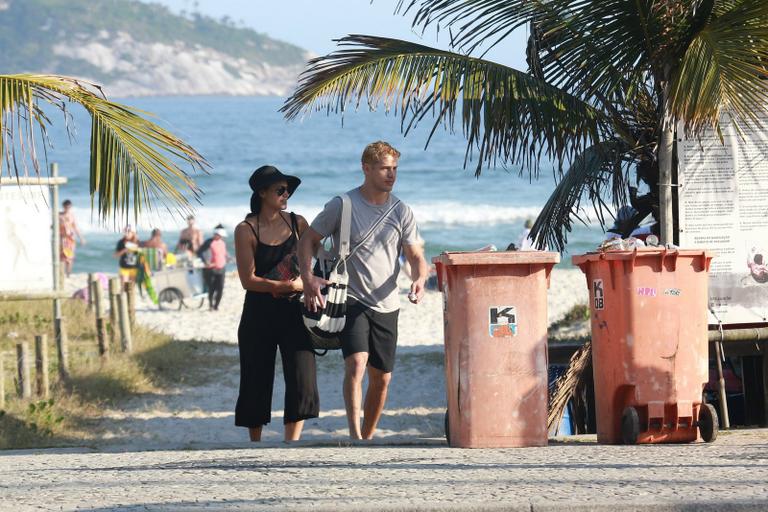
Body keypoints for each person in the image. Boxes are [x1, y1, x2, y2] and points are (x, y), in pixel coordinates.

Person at [299, 141, 428, 440]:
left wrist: (419, 278)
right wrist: (308, 278)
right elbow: (307, 240)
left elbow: (416, 257)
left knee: (382, 379)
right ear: (366, 168)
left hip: (387, 302)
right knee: (356, 363)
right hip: (350, 297)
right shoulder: (342, 206)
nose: (391, 174)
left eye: (395, 169)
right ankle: (356, 436)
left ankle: (368, 437)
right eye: (385, 168)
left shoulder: (401, 211)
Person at [233, 165, 319, 442]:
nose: (286, 195)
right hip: (258, 312)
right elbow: (248, 280)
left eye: (288, 190)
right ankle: (255, 443)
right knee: (256, 376)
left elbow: (317, 259)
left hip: (295, 309)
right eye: (280, 190)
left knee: (302, 375)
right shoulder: (246, 229)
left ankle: (290, 443)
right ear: (262, 193)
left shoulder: (299, 223)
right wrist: (286, 286)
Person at [59, 199, 85, 277]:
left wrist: (81, 238)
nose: (68, 209)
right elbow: (53, 226)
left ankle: (68, 274)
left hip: (70, 239)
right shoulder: (59, 215)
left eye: (69, 207)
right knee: (62, 257)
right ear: (63, 206)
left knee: (70, 258)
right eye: (66, 207)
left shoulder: (71, 216)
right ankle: (61, 274)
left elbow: (75, 227)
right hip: (62, 239)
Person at [205, 226, 228, 310]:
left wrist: (230, 258)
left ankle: (216, 306)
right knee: (212, 288)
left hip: (222, 268)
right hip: (212, 269)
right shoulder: (210, 243)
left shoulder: (222, 243)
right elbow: (205, 253)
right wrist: (207, 262)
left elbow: (224, 254)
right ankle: (211, 305)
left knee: (220, 288)